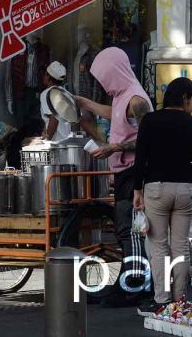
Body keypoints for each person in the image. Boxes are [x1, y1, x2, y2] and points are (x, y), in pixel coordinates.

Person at [74, 47, 154, 307]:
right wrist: (86, 104)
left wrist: (115, 148)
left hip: (134, 173)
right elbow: (113, 113)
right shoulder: (122, 96)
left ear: (115, 72)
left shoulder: (136, 100)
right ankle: (131, 281)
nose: (104, 83)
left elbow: (149, 139)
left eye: (105, 77)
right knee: (125, 230)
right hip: (123, 173)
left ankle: (136, 286)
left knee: (130, 230)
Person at [133, 77, 192, 315]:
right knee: (181, 245)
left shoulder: (150, 121)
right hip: (185, 190)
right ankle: (180, 298)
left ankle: (162, 299)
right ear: (184, 98)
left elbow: (140, 157)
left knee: (159, 245)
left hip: (157, 189)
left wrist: (137, 189)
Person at [39, 61, 72, 141]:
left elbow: (54, 118)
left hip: (56, 142)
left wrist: (46, 141)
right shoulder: (66, 93)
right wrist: (44, 132)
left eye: (45, 74)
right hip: (66, 139)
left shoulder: (47, 93)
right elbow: (49, 119)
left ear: (47, 76)